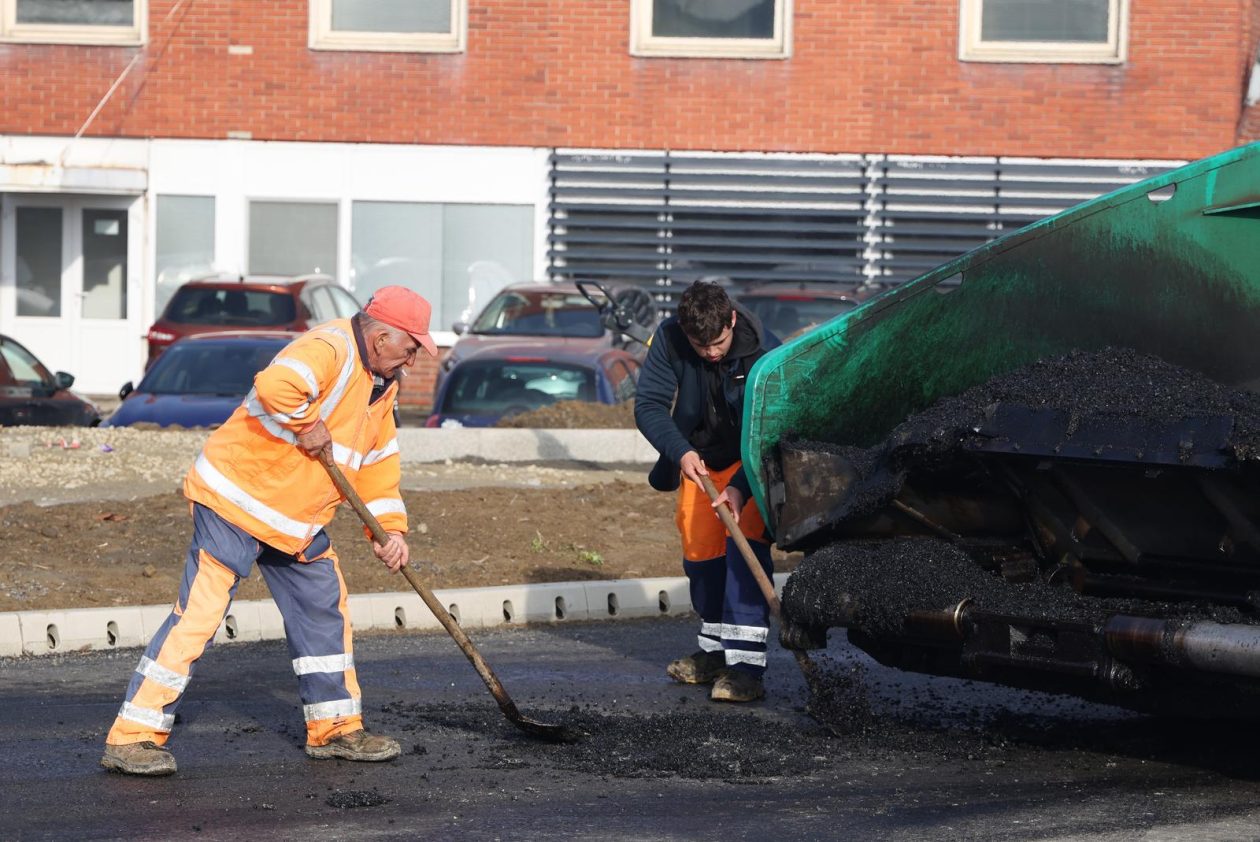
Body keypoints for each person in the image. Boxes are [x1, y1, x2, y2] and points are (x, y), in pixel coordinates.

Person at [100, 285, 439, 776]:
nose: (411, 361)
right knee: (200, 615)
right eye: (411, 348)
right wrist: (306, 422)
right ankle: (132, 736)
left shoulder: (382, 386)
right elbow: (276, 384)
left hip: (296, 520)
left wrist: (389, 529)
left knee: (324, 608)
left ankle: (335, 729)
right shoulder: (330, 347)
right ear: (383, 336)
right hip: (236, 501)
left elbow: (378, 464)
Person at [634, 279, 781, 703]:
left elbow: (768, 431)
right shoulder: (669, 337)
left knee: (744, 552)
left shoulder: (763, 354)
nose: (711, 353)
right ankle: (716, 653)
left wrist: (739, 487)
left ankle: (746, 669)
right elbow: (648, 405)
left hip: (750, 460)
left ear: (732, 319)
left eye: (717, 342)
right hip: (697, 460)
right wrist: (680, 452)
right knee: (701, 554)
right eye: (701, 346)